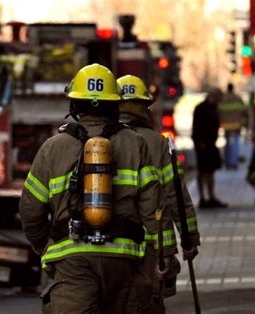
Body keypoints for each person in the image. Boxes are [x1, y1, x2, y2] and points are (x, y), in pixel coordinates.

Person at [19, 64, 177, 313]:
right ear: (115, 104)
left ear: (75, 105)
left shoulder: (52, 148)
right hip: (123, 260)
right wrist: (165, 253)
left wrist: (45, 244)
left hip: (72, 261)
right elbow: (154, 208)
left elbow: (30, 209)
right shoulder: (135, 144)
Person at [118, 75, 200, 313]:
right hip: (152, 246)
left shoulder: (99, 141)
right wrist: (189, 240)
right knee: (150, 303)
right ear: (145, 107)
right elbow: (176, 196)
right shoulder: (158, 143)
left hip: (110, 243)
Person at [192, 88, 227, 208]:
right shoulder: (201, 108)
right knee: (202, 171)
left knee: (210, 171)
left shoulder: (213, 108)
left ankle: (211, 196)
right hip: (203, 145)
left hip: (211, 143)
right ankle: (203, 198)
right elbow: (197, 128)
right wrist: (201, 143)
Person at [218, 83, 248, 169]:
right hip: (236, 125)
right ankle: (234, 162)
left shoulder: (222, 99)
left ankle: (227, 162)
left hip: (226, 126)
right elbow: (244, 111)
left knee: (227, 144)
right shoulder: (238, 98)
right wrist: (245, 123)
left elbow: (218, 112)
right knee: (235, 144)